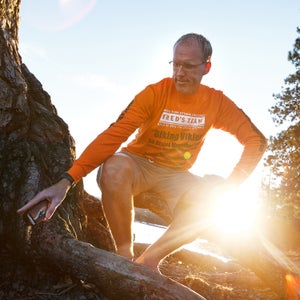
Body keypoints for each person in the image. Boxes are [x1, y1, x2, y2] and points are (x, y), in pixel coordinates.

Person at [18, 33, 267, 272]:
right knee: (115, 166)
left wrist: (231, 186)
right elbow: (113, 135)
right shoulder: (154, 93)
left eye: (189, 66)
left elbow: (256, 141)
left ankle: (148, 261)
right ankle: (125, 255)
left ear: (206, 67)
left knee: (213, 201)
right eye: (176, 64)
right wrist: (67, 181)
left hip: (177, 175)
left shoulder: (217, 103)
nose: (179, 73)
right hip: (138, 164)